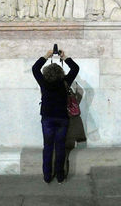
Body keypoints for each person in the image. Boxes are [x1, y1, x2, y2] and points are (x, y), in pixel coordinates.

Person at [32, 49, 79, 184]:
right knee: (60, 147)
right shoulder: (65, 82)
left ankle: (47, 176)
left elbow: (35, 68)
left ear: (46, 73)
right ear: (61, 73)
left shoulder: (43, 83)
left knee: (47, 147)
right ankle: (60, 176)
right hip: (62, 118)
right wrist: (65, 57)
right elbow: (76, 68)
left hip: (47, 118)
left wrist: (47, 56)